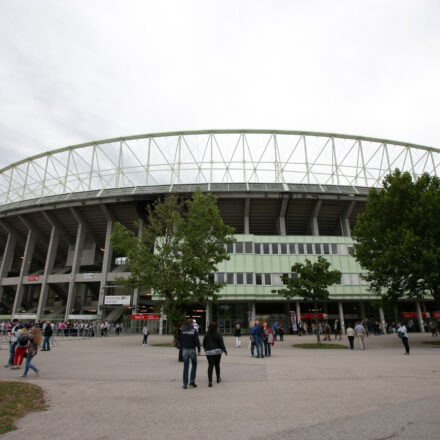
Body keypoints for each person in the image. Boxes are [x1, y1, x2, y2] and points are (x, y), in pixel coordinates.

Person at [203, 322, 227, 387]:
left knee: (210, 366)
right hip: (217, 351)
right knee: (217, 365)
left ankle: (210, 381)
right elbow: (221, 343)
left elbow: (204, 342)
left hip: (209, 352)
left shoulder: (207, 334)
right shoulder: (218, 334)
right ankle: (218, 378)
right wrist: (224, 350)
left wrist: (205, 349)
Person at [179, 318, 201, 389]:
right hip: (192, 349)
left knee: (185, 366)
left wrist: (182, 349)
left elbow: (181, 340)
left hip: (185, 350)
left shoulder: (183, 331)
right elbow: (197, 341)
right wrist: (199, 350)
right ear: (191, 323)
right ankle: (192, 381)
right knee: (194, 365)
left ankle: (185, 384)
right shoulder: (194, 331)